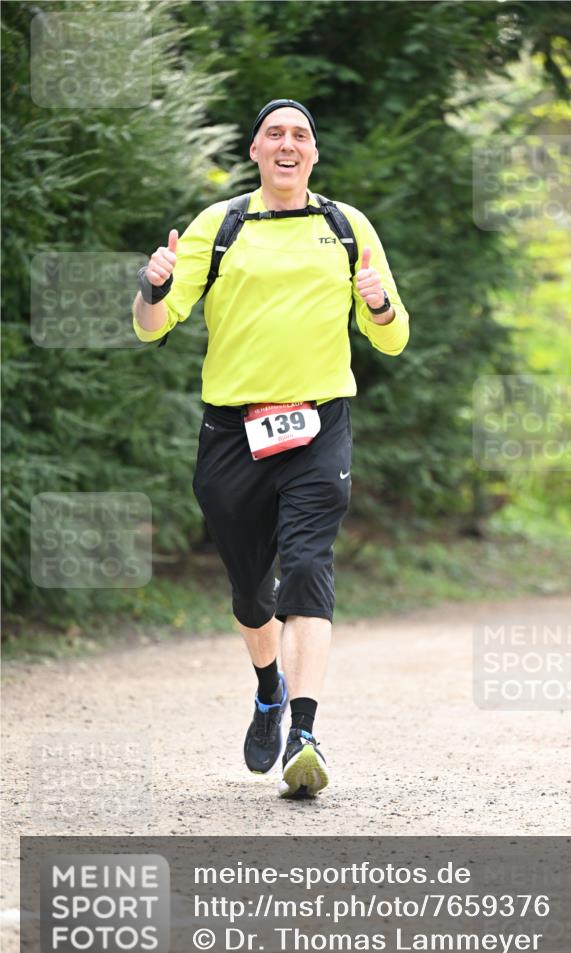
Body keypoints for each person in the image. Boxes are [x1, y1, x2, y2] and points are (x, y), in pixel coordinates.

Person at [132, 98, 409, 799]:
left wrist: (377, 303)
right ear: (254, 151)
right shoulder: (219, 226)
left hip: (319, 425)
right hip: (232, 432)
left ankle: (305, 735)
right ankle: (268, 689)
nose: (287, 144)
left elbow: (393, 336)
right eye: (273, 135)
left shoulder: (345, 227)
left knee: (309, 566)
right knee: (251, 593)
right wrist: (151, 288)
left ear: (314, 154)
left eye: (301, 136)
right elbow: (150, 325)